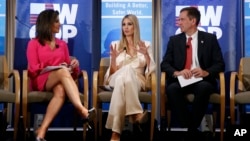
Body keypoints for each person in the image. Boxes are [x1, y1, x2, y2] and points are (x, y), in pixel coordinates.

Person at [26, 9, 95, 141]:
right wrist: (54, 68)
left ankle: (41, 132)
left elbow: (72, 73)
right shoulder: (33, 43)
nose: (60, 24)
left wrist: (74, 65)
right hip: (40, 80)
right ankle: (82, 110)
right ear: (47, 23)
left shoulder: (62, 44)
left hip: (59, 81)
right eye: (57, 21)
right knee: (62, 71)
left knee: (61, 91)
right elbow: (33, 69)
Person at [160, 7, 225, 139]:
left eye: (182, 19)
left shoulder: (210, 39)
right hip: (181, 80)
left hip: (202, 80)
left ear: (193, 21)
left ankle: (191, 127)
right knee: (172, 89)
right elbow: (164, 64)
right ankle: (191, 126)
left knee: (204, 87)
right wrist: (177, 72)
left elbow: (220, 64)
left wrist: (206, 72)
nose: (179, 23)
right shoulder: (174, 40)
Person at [103, 14, 156, 141]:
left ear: (135, 26)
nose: (126, 27)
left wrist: (146, 56)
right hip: (116, 76)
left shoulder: (146, 44)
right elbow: (113, 72)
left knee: (124, 79)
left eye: (129, 24)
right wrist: (114, 59)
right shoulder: (115, 44)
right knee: (124, 72)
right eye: (123, 24)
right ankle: (136, 113)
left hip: (137, 80)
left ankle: (115, 133)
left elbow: (150, 70)